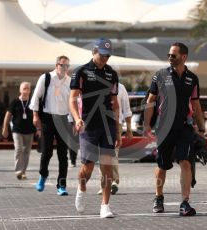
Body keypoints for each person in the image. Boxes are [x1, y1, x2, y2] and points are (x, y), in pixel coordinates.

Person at [144, 42, 205, 216]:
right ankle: (158, 197)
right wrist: (147, 125)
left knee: (185, 162)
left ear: (184, 57)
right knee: (162, 165)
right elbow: (150, 101)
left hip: (184, 127)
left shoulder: (192, 79)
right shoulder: (160, 75)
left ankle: (185, 203)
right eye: (169, 54)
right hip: (164, 127)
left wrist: (201, 128)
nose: (170, 57)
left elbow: (196, 104)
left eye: (174, 55)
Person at [70, 38, 120, 218]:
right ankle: (81, 188)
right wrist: (76, 119)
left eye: (108, 56)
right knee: (88, 167)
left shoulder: (112, 74)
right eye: (102, 55)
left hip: (107, 125)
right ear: (93, 52)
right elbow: (72, 99)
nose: (105, 58)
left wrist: (118, 129)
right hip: (87, 125)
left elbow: (115, 104)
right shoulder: (81, 72)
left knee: (107, 167)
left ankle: (105, 206)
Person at [29, 55, 71, 196]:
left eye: (67, 66)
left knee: (62, 154)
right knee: (46, 151)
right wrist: (35, 115)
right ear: (57, 65)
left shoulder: (70, 82)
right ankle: (43, 176)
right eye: (63, 65)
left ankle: (62, 185)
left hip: (64, 119)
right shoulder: (45, 78)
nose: (65, 68)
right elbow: (36, 97)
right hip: (48, 118)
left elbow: (72, 103)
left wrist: (74, 121)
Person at [97, 82, 133, 195]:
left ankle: (113, 182)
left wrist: (129, 129)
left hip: (115, 124)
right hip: (98, 124)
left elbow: (127, 110)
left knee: (113, 153)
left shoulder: (121, 88)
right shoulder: (96, 86)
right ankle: (104, 183)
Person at [2, 82, 36, 180]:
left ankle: (23, 171)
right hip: (17, 130)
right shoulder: (15, 102)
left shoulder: (32, 102)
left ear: (30, 91)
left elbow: (37, 115)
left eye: (28, 88)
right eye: (24, 88)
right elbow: (7, 116)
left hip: (30, 130)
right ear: (20, 90)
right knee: (18, 149)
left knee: (27, 151)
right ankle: (18, 170)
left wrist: (39, 129)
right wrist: (5, 128)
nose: (26, 90)